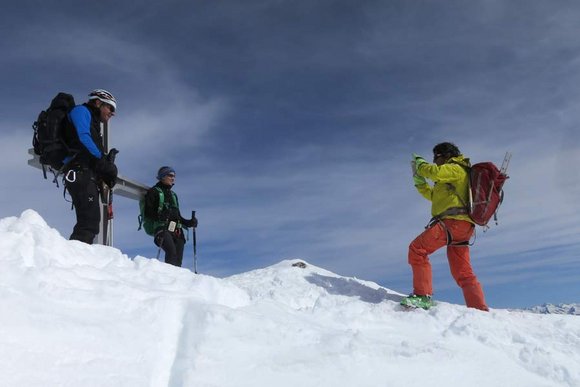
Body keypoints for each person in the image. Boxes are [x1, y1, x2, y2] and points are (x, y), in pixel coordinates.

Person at [402, 142, 489, 311]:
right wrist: (419, 182)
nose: (435, 161)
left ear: (446, 155)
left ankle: (422, 295)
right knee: (463, 272)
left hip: (452, 223)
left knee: (417, 249)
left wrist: (420, 164)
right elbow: (433, 196)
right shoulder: (454, 175)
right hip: (463, 228)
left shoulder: (455, 168)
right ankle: (479, 309)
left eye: (437, 157)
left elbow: (433, 172)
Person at [62, 89, 119, 244]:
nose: (112, 113)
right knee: (89, 223)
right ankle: (73, 262)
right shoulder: (81, 111)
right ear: (98, 102)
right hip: (79, 171)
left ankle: (76, 261)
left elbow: (90, 151)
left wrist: (105, 167)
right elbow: (83, 138)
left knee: (91, 223)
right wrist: (103, 160)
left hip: (85, 173)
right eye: (110, 108)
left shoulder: (93, 122)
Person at [144, 166, 198, 267]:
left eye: (174, 176)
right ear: (163, 176)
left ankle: (176, 280)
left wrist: (189, 222)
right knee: (171, 253)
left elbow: (178, 217)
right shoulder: (154, 191)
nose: (173, 178)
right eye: (170, 175)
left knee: (178, 259)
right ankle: (168, 278)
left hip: (177, 230)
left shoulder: (173, 195)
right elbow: (148, 212)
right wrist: (160, 215)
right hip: (162, 228)